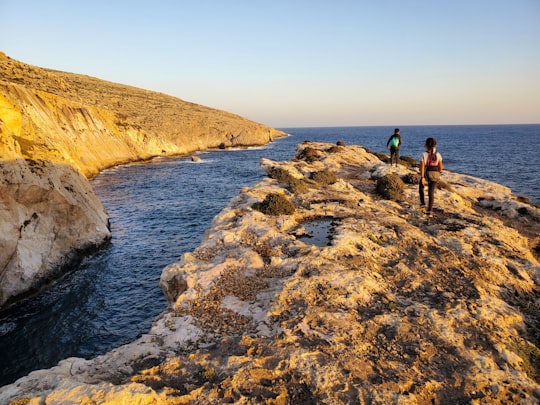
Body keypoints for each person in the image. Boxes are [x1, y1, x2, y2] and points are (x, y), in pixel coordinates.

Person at [419, 137, 443, 217]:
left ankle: (422, 203)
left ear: (425, 145)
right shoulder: (438, 155)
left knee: (421, 187)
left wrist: (422, 177)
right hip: (436, 174)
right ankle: (429, 211)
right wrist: (439, 174)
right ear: (436, 145)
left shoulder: (424, 154)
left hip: (427, 173)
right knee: (431, 192)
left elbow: (422, 167)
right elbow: (440, 168)